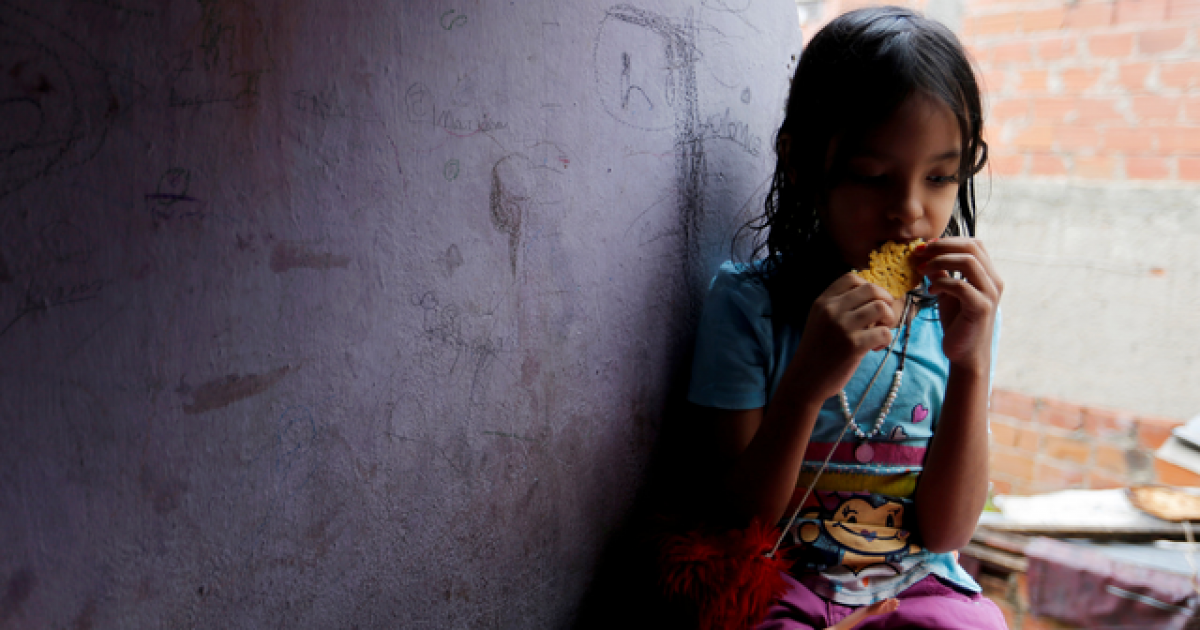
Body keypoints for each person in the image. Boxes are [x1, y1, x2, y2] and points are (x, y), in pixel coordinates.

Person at [686, 6, 1008, 629]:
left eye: (941, 176)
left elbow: (946, 532)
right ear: (803, 165)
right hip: (782, 584)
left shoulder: (958, 317)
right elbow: (735, 521)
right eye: (871, 177)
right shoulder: (750, 306)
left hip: (917, 583)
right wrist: (807, 381)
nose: (911, 211)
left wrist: (971, 365)